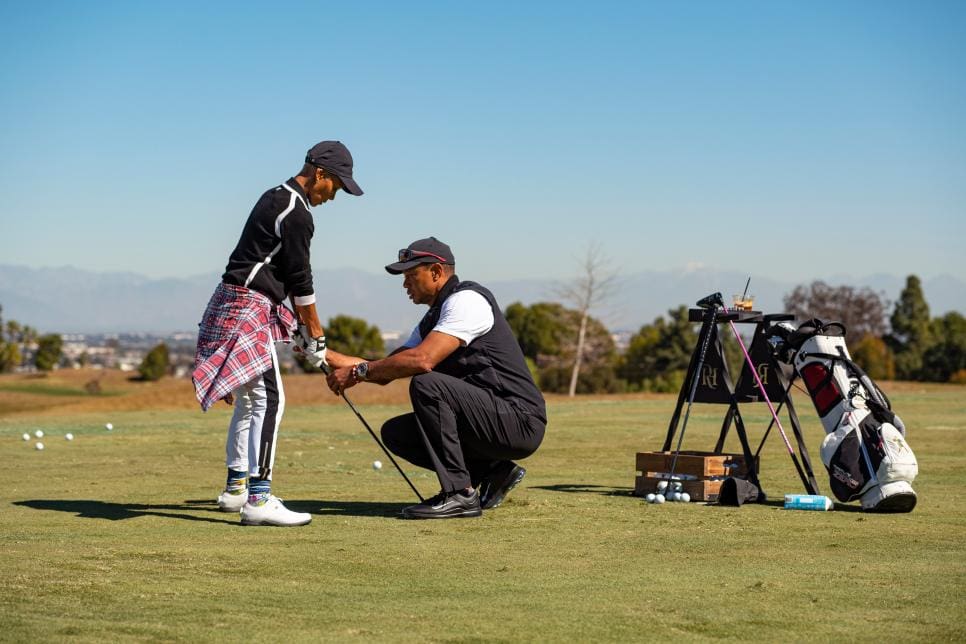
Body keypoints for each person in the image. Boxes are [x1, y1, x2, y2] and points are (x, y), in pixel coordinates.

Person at [192, 140, 363, 526]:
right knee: (270, 400)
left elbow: (277, 273)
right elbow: (301, 280)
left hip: (236, 301)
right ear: (320, 174)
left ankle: (236, 489)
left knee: (249, 401)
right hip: (249, 307)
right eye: (335, 186)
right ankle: (258, 499)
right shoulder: (297, 211)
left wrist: (303, 330)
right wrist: (315, 334)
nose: (333, 196)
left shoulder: (274, 196)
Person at [325, 237, 547, 519]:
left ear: (436, 272)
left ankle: (459, 494)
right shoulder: (434, 317)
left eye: (411, 275)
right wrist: (322, 353)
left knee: (427, 383)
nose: (405, 284)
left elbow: (422, 360)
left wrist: (358, 372)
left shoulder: (467, 301)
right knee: (397, 433)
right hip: (491, 419)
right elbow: (386, 368)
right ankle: (494, 472)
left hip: (519, 420)